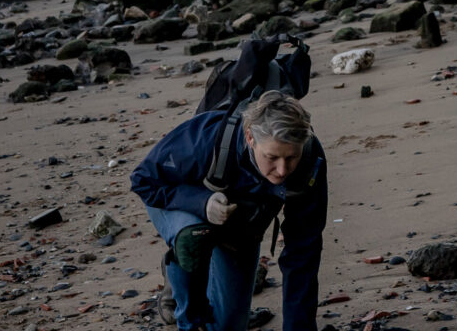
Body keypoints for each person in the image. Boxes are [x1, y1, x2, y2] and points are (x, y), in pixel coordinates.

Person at [131, 90, 327, 331]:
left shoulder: (309, 160)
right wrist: (201, 203)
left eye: (291, 157)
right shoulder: (205, 139)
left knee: (228, 326)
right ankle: (187, 313)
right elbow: (143, 180)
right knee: (193, 237)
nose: (283, 169)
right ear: (250, 138)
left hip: (240, 226)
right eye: (272, 157)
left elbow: (303, 249)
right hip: (180, 205)